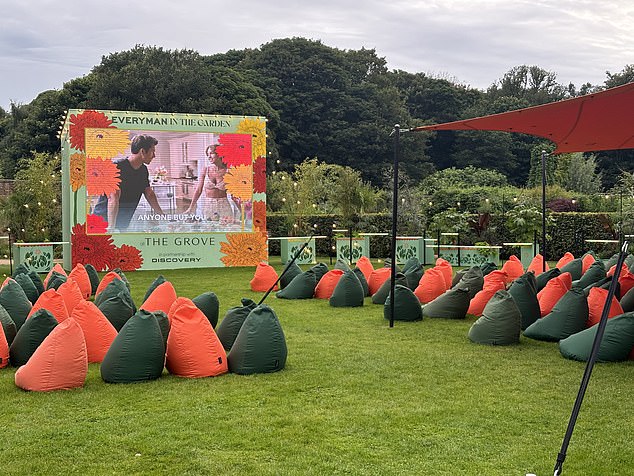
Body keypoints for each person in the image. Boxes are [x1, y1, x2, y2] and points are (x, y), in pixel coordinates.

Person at [94, 134, 167, 232]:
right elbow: (113, 197)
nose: (154, 155)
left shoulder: (143, 170)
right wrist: (111, 227)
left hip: (123, 221)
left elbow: (149, 194)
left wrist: (162, 216)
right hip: (102, 221)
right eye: (152, 151)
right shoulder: (116, 167)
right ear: (142, 152)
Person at [185, 144, 236, 221]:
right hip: (208, 207)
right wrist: (190, 208)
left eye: (211, 153)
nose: (209, 157)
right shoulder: (206, 170)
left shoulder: (229, 171)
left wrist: (243, 211)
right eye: (207, 154)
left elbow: (234, 195)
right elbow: (198, 190)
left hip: (224, 207)